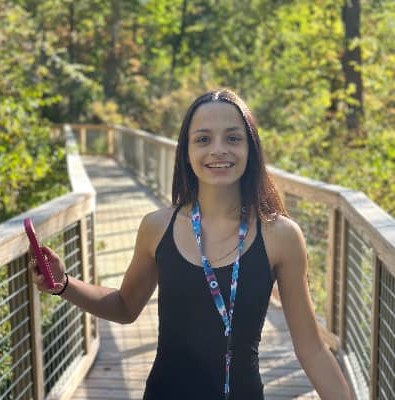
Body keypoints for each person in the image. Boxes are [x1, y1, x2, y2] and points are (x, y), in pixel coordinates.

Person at [30, 89, 354, 400]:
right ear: (185, 151)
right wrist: (64, 284)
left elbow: (312, 349)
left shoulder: (281, 235)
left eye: (233, 138)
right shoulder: (157, 227)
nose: (218, 149)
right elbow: (125, 307)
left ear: (251, 148)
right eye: (203, 139)